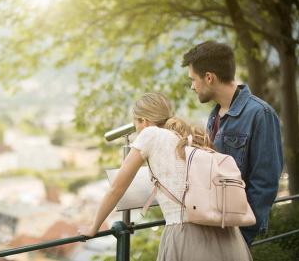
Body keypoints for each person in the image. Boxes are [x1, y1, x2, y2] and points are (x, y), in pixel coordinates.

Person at [79, 92, 252, 261]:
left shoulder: (150, 134)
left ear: (143, 121)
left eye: (136, 124)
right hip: (225, 233)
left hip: (188, 235)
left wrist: (94, 227)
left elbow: (117, 188)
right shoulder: (187, 135)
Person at [182, 41, 283, 245]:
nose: (192, 86)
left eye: (193, 80)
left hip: (236, 234)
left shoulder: (260, 114)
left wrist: (242, 235)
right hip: (216, 228)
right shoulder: (214, 115)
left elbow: (266, 183)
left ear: (209, 78)